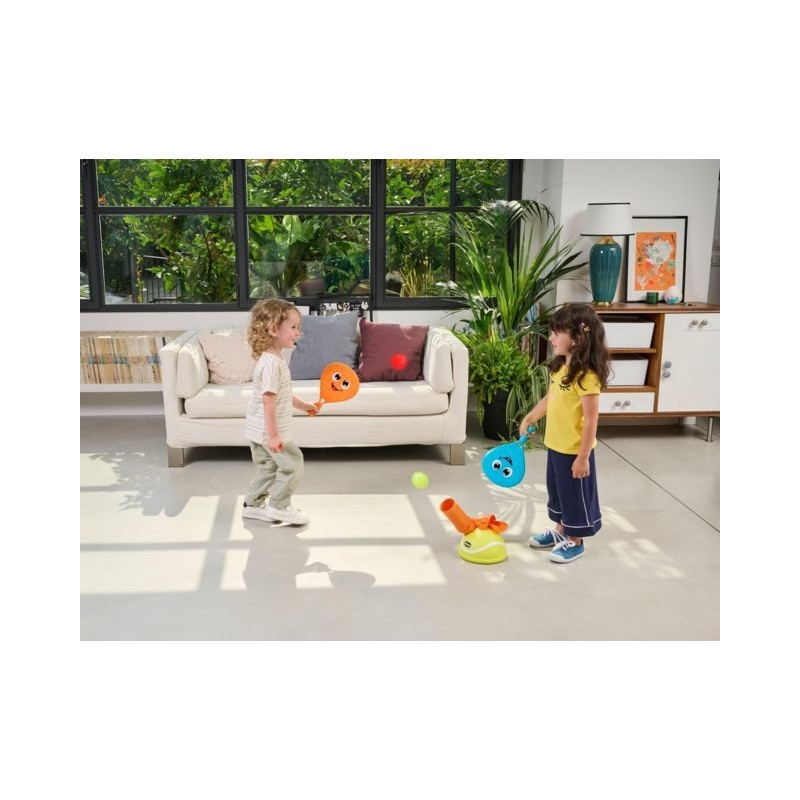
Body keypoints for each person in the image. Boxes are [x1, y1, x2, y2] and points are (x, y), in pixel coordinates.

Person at [519, 304, 610, 563]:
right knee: (558, 492)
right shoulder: (560, 367)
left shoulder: (587, 377)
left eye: (557, 333)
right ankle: (560, 530)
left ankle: (576, 540)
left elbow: (591, 421)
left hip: (574, 450)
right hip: (555, 445)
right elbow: (551, 398)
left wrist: (583, 457)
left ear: (577, 339)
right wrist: (530, 417)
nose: (551, 338)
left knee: (575, 497)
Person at [242, 299, 318, 525]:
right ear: (273, 329)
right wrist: (274, 436)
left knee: (267, 469)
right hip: (270, 433)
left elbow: (281, 395)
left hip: (257, 430)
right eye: (293, 327)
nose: (298, 333)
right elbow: (268, 401)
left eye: (298, 327)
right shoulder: (272, 365)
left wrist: (305, 406)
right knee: (293, 464)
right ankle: (279, 506)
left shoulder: (272, 360)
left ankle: (252, 505)